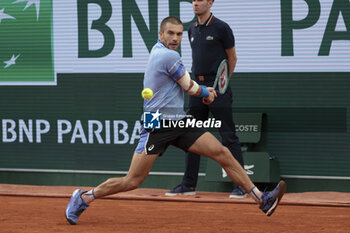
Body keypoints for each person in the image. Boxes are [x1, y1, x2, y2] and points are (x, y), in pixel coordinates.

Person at [65, 16, 286, 225]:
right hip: (156, 123)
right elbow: (189, 86)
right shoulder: (167, 56)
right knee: (132, 181)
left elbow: (187, 85)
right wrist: (205, 93)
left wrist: (202, 90)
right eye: (170, 33)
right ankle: (84, 197)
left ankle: (261, 199)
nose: (175, 38)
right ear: (160, 34)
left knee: (222, 153)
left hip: (178, 120)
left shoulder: (163, 53)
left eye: (179, 34)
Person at [166, 0, 246, 198]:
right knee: (191, 136)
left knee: (229, 137)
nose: (195, 3)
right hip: (198, 89)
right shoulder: (192, 30)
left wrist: (222, 84)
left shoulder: (222, 28)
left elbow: (232, 59)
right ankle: (188, 185)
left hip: (218, 88)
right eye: (193, 0)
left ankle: (241, 186)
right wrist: (197, 89)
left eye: (200, 0)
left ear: (210, 2)